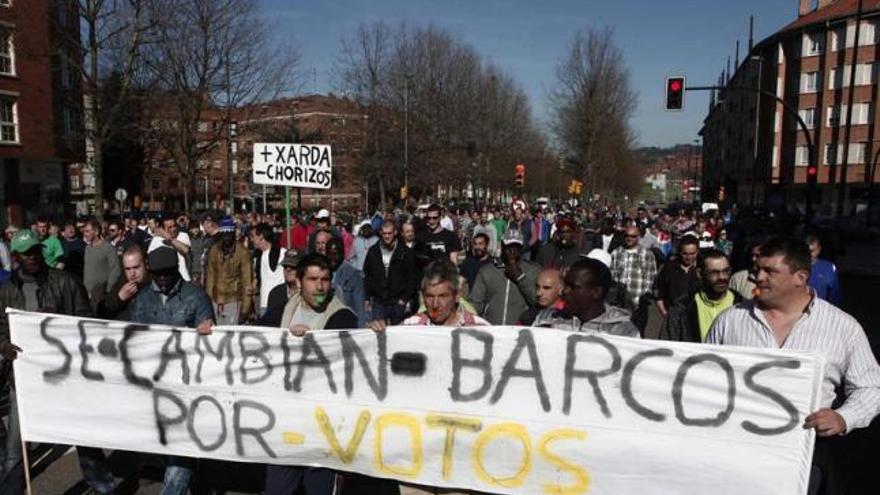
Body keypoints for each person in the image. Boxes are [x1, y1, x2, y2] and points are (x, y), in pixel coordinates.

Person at [706, 237, 880, 495]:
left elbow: (871, 387)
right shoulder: (730, 321)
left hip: (804, 458)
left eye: (770, 271)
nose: (758, 277)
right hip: (736, 454)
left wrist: (843, 417)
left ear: (800, 277)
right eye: (757, 270)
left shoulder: (843, 327)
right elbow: (705, 378)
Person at [268, 253, 397, 495]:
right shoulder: (283, 311)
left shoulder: (343, 317)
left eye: (325, 280)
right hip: (285, 424)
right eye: (313, 279)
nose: (320, 286)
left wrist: (372, 336)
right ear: (298, 281)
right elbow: (250, 341)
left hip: (323, 429)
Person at [0, 229, 116, 495]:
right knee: (15, 450)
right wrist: (4, 346)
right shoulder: (6, 291)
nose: (33, 257)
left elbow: (86, 321)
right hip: (25, 380)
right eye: (26, 253)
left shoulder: (64, 282)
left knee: (84, 439)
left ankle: (103, 488)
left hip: (65, 377)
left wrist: (59, 321)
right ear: (15, 256)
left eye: (36, 251)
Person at [129, 246, 214, 495]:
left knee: (180, 451)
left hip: (187, 387)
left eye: (168, 273)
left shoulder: (196, 297)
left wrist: (208, 329)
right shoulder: (143, 299)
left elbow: (211, 345)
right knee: (168, 450)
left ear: (177, 270)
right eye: (158, 274)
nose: (163, 279)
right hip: (155, 385)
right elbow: (134, 339)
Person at [370, 259, 489, 329]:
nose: (435, 304)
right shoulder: (410, 327)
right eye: (429, 296)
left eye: (443, 296)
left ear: (457, 295)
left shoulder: (479, 327)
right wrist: (375, 334)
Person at [535, 258, 640, 337]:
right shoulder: (546, 319)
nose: (564, 291)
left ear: (596, 292)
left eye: (573, 287)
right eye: (566, 285)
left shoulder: (623, 331)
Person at [659, 249, 741, 342]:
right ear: (699, 273)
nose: (722, 277)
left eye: (726, 271)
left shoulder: (743, 307)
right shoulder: (681, 309)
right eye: (714, 273)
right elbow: (666, 346)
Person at [470, 229, 539, 325]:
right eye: (509, 246)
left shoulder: (533, 270)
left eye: (516, 247)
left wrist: (520, 278)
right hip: (492, 329)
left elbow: (537, 301)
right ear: (502, 246)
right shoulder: (487, 271)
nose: (512, 251)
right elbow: (476, 303)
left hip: (520, 331)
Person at [363, 220, 417, 325]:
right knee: (379, 333)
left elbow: (411, 277)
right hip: (379, 301)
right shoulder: (373, 251)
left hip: (397, 301)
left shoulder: (405, 252)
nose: (387, 236)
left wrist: (404, 299)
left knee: (397, 334)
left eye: (389, 233)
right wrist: (367, 298)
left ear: (395, 233)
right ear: (381, 233)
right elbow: (367, 275)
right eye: (384, 233)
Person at [205, 218, 254, 325]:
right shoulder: (214, 250)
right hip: (216, 301)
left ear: (233, 233)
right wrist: (207, 304)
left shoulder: (243, 252)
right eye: (224, 234)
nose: (226, 237)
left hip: (234, 301)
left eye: (229, 233)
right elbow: (210, 278)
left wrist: (245, 309)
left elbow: (247, 281)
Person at [610, 224, 657, 332]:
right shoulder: (616, 253)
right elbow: (613, 277)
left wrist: (644, 299)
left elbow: (651, 278)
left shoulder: (647, 254)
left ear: (638, 237)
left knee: (637, 335)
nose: (629, 238)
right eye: (627, 235)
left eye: (633, 236)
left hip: (638, 304)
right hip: (620, 305)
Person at [98, 244, 151, 320]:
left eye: (136, 267)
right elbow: (104, 312)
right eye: (128, 269)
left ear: (146, 265)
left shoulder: (155, 283)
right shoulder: (122, 282)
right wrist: (119, 298)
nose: (132, 273)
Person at [654, 235, 700, 319]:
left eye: (692, 253)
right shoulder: (668, 268)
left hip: (698, 317)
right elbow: (658, 294)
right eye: (685, 253)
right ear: (679, 252)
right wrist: (664, 313)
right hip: (673, 317)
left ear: (697, 251)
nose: (689, 257)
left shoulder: (703, 269)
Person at [325, 237, 367, 327]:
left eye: (335, 254)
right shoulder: (321, 273)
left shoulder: (354, 275)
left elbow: (360, 308)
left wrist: (361, 331)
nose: (332, 258)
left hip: (347, 323)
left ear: (342, 254)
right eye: (329, 254)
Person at [82, 218, 122, 310]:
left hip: (102, 296)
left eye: (87, 231)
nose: (85, 234)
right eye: (84, 231)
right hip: (88, 295)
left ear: (96, 232)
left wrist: (107, 290)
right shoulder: (87, 248)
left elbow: (115, 271)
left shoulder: (108, 248)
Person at [252, 222, 287, 317]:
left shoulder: (282, 253)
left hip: (279, 302)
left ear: (261, 237)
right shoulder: (259, 255)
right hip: (264, 302)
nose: (252, 240)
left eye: (253, 236)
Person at [148, 214, 192, 282]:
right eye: (169, 227)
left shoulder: (183, 235)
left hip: (184, 278)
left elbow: (186, 250)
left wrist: (169, 238)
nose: (173, 229)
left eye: (174, 226)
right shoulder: (156, 240)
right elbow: (151, 259)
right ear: (163, 229)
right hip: (166, 279)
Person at [806, 234, 841, 306]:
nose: (809, 254)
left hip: (821, 309)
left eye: (812, 251)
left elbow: (835, 294)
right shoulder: (796, 266)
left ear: (819, 250)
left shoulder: (829, 267)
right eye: (806, 251)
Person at [265, 250, 301, 315]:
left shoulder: (309, 293)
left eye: (293, 267)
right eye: (285, 266)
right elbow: (269, 321)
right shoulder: (275, 293)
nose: (288, 270)